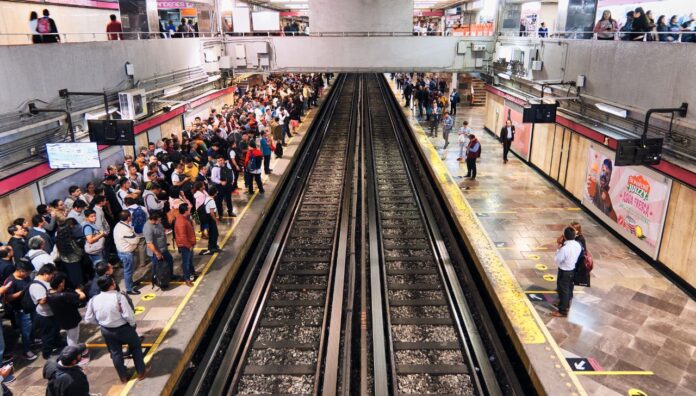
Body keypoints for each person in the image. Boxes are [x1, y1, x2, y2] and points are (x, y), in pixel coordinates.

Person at [85, 276, 148, 383]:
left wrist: (101, 323)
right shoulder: (119, 297)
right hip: (124, 329)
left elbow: (88, 318)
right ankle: (141, 373)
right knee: (136, 347)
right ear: (112, 285)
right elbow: (128, 315)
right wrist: (132, 325)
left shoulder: (93, 300)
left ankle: (123, 377)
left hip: (107, 331)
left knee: (115, 354)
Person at [4, 260, 38, 361]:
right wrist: (22, 292)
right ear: (21, 271)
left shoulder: (26, 277)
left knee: (33, 326)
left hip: (30, 306)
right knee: (25, 331)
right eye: (27, 272)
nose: (28, 275)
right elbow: (8, 298)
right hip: (21, 310)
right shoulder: (10, 281)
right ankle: (26, 350)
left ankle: (33, 340)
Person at [29, 264, 63, 359]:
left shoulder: (45, 281)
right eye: (52, 275)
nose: (53, 277)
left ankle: (58, 343)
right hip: (45, 315)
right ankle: (47, 354)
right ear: (45, 274)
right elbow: (42, 301)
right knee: (48, 336)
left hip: (52, 313)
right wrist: (54, 292)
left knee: (55, 331)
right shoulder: (36, 285)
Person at [47, 272, 86, 346]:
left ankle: (73, 350)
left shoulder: (49, 293)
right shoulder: (64, 295)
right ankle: (73, 355)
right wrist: (78, 291)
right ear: (60, 284)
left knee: (70, 337)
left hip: (62, 320)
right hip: (72, 320)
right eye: (63, 281)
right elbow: (82, 296)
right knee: (73, 339)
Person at [552, 227, 582, 318]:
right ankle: (566, 305)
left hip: (564, 271)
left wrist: (559, 246)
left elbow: (557, 260)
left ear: (564, 236)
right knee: (568, 289)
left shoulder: (565, 248)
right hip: (572, 270)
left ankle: (562, 311)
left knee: (563, 291)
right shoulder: (577, 245)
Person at [143, 212, 174, 288]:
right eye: (159, 220)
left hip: (163, 249)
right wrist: (157, 253)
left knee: (170, 261)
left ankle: (170, 276)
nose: (160, 222)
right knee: (158, 268)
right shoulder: (148, 228)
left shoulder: (157, 223)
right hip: (157, 252)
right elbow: (149, 243)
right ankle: (160, 281)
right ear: (154, 220)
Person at [174, 204, 196, 286]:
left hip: (188, 243)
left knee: (189, 260)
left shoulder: (184, 218)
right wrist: (189, 246)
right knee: (186, 262)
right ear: (185, 211)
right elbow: (182, 236)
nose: (190, 210)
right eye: (188, 209)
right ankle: (187, 279)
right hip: (185, 245)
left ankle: (191, 272)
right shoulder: (181, 221)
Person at [200, 187, 220, 255]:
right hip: (211, 218)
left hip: (208, 218)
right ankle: (212, 247)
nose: (217, 193)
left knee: (212, 233)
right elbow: (212, 213)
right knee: (214, 234)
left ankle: (213, 246)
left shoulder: (207, 198)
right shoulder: (212, 201)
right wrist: (216, 220)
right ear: (214, 193)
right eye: (216, 192)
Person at [570, 221, 590, 287]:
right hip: (572, 260)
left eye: (572, 229)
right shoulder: (572, 237)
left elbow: (582, 252)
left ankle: (569, 293)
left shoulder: (580, 239)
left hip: (576, 262)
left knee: (571, 278)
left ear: (577, 231)